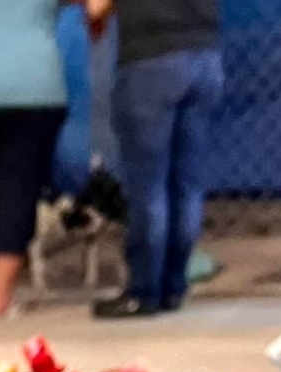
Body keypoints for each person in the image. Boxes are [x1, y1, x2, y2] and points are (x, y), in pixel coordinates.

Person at [0, 0, 112, 317]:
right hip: (35, 87)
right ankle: (0, 299)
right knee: (17, 193)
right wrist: (96, 24)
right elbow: (97, 6)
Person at [95, 0, 223, 318]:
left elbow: (96, 7)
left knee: (148, 187)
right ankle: (173, 286)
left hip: (150, 61)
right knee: (186, 185)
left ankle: (144, 291)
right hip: (205, 56)